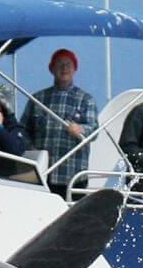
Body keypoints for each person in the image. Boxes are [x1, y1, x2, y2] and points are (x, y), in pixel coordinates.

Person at [19, 48, 99, 188]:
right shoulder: (37, 99)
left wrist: (81, 129)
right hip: (41, 174)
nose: (64, 68)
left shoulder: (86, 100)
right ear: (52, 69)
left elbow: (94, 130)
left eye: (68, 64)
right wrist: (33, 151)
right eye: (59, 64)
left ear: (74, 69)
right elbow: (22, 131)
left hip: (73, 175)